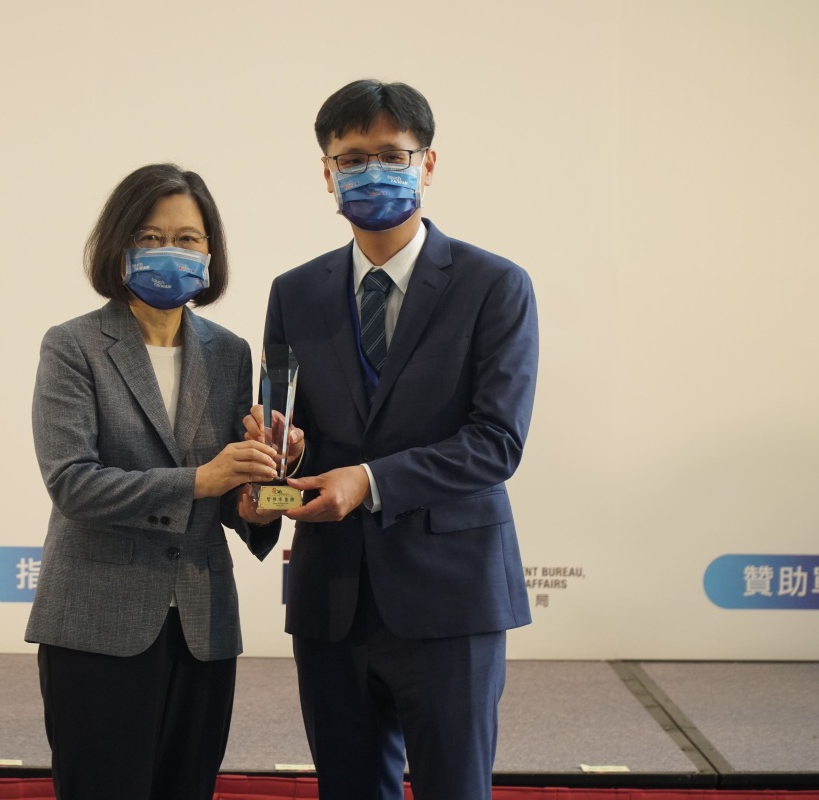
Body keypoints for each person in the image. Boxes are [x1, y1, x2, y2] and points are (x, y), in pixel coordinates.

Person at [247, 80, 539, 800]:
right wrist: (282, 458)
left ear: (427, 163)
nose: (370, 171)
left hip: (451, 599)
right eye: (351, 158)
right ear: (327, 173)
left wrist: (368, 481)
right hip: (331, 600)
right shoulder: (294, 292)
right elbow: (287, 427)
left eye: (391, 154)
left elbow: (496, 442)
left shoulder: (494, 285)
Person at [26, 163, 283, 800]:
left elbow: (231, 496)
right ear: (118, 246)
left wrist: (261, 493)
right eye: (150, 237)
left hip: (203, 627)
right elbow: (73, 483)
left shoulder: (230, 352)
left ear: (211, 252)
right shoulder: (74, 346)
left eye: (188, 239)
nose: (171, 251)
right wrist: (200, 480)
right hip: (97, 624)